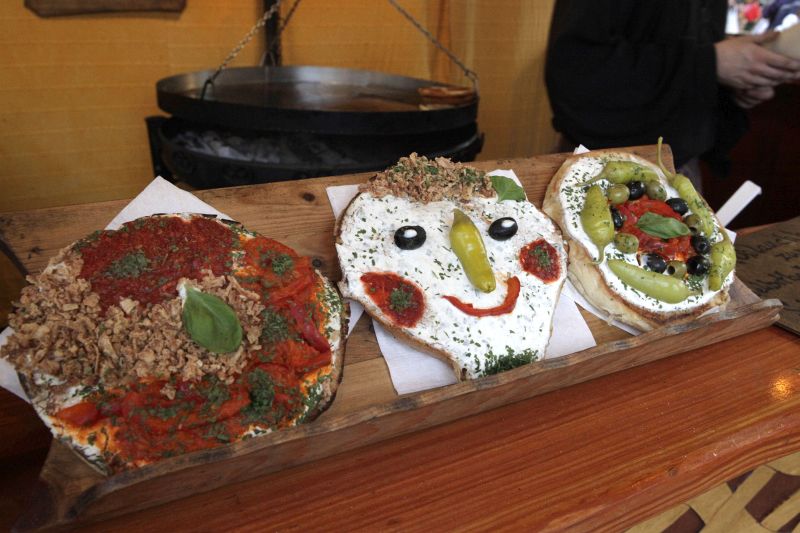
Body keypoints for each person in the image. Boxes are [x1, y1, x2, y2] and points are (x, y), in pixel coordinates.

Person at [545, 0, 800, 183]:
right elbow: (574, 69)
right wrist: (712, 63)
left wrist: (732, 85)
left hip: (680, 170)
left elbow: (689, 54)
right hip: (601, 169)